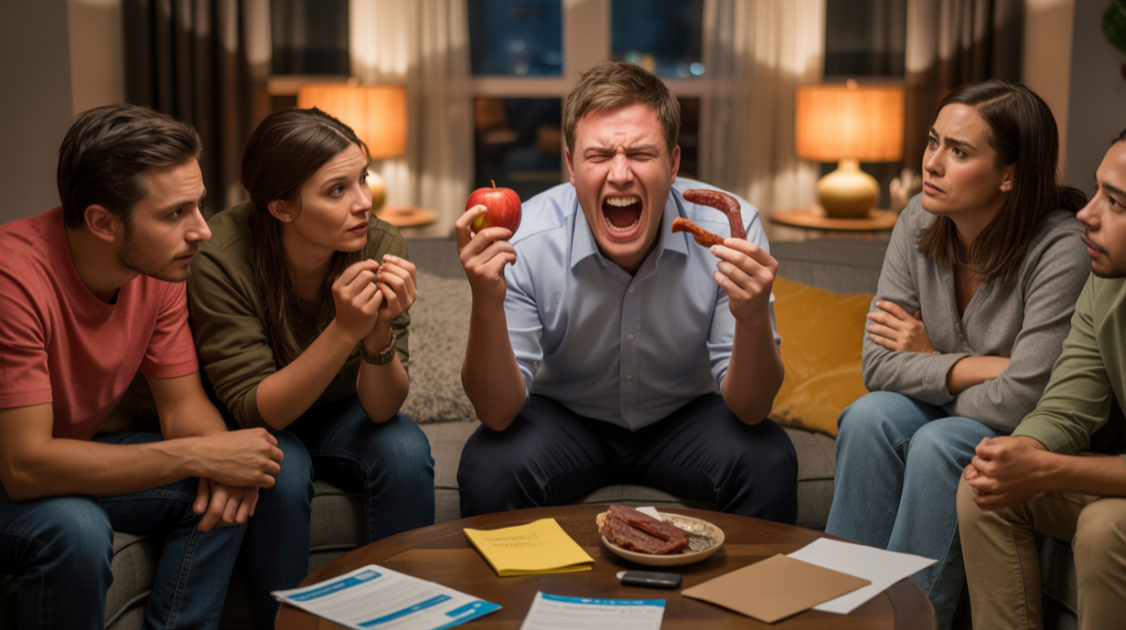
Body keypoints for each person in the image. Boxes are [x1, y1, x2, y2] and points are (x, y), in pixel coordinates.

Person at [454, 59, 798, 524]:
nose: (619, 175)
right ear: (572, 167)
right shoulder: (522, 240)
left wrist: (753, 316)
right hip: (566, 418)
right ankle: (520, 599)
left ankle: (749, 599)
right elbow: (496, 413)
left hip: (684, 415)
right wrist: (486, 301)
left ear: (673, 163)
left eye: (640, 153)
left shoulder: (731, 232)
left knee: (768, 455)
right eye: (598, 156)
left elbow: (753, 408)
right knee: (489, 461)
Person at [0, 104, 283, 629]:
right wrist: (201, 452)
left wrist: (217, 457)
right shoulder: (13, 280)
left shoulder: (156, 268)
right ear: (102, 222)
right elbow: (23, 466)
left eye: (199, 206)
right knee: (75, 526)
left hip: (63, 457)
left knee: (230, 484)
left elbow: (183, 406)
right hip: (13, 470)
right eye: (175, 213)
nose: (202, 231)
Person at [823, 81, 1092, 628]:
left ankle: (906, 621)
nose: (933, 163)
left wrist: (929, 361)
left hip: (1028, 436)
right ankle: (835, 612)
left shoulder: (1061, 249)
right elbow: (877, 367)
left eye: (960, 151)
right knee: (870, 416)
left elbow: (1026, 400)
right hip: (962, 409)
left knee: (939, 441)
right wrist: (977, 367)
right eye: (932, 142)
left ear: (1009, 174)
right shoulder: (918, 219)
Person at [188, 107, 435, 628]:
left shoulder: (380, 243)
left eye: (362, 178)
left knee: (405, 447)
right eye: (337, 190)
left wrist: (376, 333)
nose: (365, 202)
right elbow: (260, 411)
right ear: (281, 207)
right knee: (282, 466)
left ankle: (403, 618)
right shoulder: (221, 256)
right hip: (260, 419)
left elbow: (383, 405)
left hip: (343, 414)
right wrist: (344, 328)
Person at [957, 112, 1126, 630]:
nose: (1085, 215)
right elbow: (1068, 407)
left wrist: (1051, 470)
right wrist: (1022, 453)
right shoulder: (1111, 282)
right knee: (986, 488)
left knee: (1109, 528)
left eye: (1116, 203)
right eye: (1096, 192)